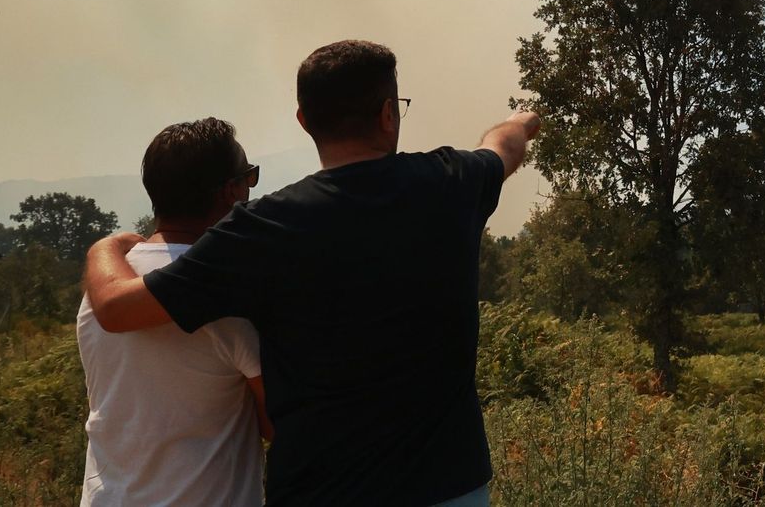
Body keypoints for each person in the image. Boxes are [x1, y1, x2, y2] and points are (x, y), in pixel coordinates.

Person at [84, 40, 538, 507]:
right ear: (387, 113)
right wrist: (522, 119)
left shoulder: (260, 228)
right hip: (451, 487)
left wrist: (106, 246)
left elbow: (117, 309)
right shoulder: (453, 181)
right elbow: (503, 145)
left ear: (303, 120)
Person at [76, 117, 270, 507]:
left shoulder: (103, 286)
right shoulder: (228, 296)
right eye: (249, 179)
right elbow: (277, 421)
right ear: (230, 192)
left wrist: (105, 246)